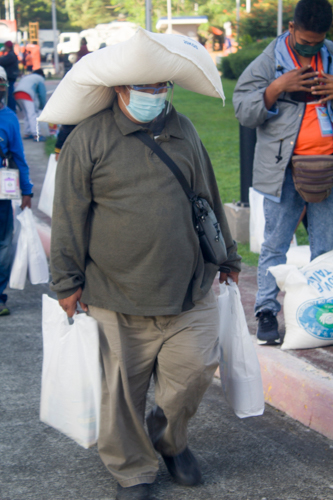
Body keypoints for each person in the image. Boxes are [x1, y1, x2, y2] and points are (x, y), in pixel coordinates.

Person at [50, 78, 241, 499]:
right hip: (115, 295)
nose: (153, 93)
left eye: (161, 85)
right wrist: (66, 281)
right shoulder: (88, 138)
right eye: (143, 86)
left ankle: (169, 440)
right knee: (120, 397)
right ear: (120, 86)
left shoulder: (183, 128)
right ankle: (132, 469)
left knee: (191, 377)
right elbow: (68, 214)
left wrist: (227, 255)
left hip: (189, 290)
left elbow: (206, 193)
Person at [233, 0, 333, 345]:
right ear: (291, 28)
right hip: (283, 171)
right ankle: (266, 312)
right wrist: (277, 87)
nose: (311, 47)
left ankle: (322, 314)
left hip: (327, 169)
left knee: (326, 247)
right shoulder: (268, 61)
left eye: (318, 42)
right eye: (305, 41)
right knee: (275, 244)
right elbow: (243, 109)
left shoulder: (331, 55)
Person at [0, 66, 33, 316]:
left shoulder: (9, 117)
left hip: (2, 192)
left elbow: (18, 158)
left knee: (3, 244)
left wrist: (27, 191)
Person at [14, 69, 47, 141]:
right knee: (32, 115)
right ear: (41, 74)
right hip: (26, 94)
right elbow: (42, 94)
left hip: (17, 94)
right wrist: (42, 105)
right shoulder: (40, 78)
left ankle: (27, 133)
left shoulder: (27, 77)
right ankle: (36, 135)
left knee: (26, 114)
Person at [0, 41, 19, 112]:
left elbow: (1, 61)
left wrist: (2, 53)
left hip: (10, 76)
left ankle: (12, 108)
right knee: (10, 93)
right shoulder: (12, 54)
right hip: (12, 75)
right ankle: (12, 107)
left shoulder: (10, 55)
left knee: (9, 93)